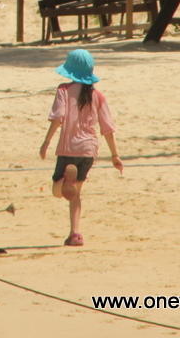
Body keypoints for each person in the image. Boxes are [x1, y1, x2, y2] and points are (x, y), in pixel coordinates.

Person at [38, 48, 123, 247]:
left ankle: (66, 179)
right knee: (75, 193)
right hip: (88, 150)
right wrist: (115, 155)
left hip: (68, 148)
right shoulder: (98, 96)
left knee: (57, 191)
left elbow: (58, 118)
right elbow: (107, 128)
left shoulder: (63, 90)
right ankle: (75, 234)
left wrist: (46, 142)